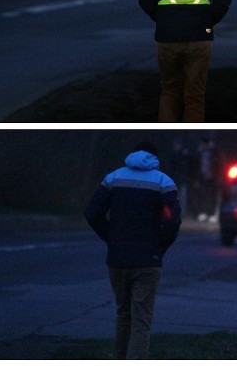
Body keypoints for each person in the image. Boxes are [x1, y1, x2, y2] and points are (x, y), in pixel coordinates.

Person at [85, 141, 181, 360]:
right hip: (148, 260)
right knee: (141, 322)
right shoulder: (163, 182)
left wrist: (111, 238)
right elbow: (173, 221)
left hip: (118, 259)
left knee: (123, 314)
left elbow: (92, 213)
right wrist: (160, 246)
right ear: (156, 158)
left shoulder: (113, 177)